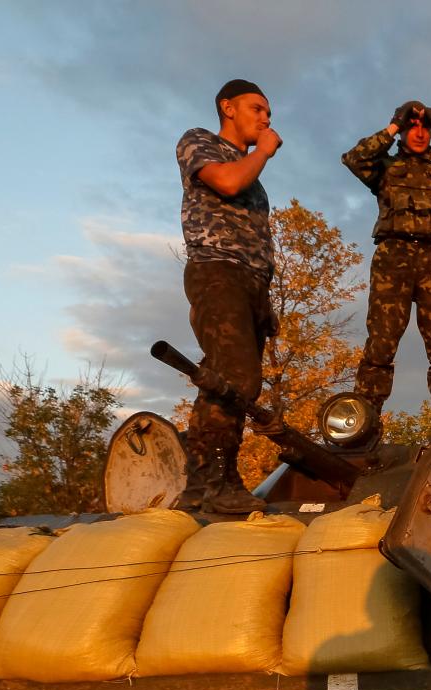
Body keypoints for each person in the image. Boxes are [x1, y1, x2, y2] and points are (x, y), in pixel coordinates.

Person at [342, 102, 431, 444]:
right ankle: (366, 423)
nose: (420, 133)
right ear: (403, 131)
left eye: (425, 127)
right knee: (380, 346)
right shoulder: (385, 168)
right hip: (393, 260)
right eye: (414, 126)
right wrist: (394, 124)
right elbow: (354, 159)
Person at [174, 78, 282, 514]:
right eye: (257, 108)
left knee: (227, 379)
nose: (266, 119)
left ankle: (202, 486)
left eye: (269, 113)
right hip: (217, 271)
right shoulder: (199, 141)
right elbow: (227, 182)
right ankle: (216, 482)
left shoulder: (253, 173)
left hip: (251, 282)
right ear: (228, 107)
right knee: (238, 377)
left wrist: (264, 301)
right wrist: (263, 152)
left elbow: (256, 237)